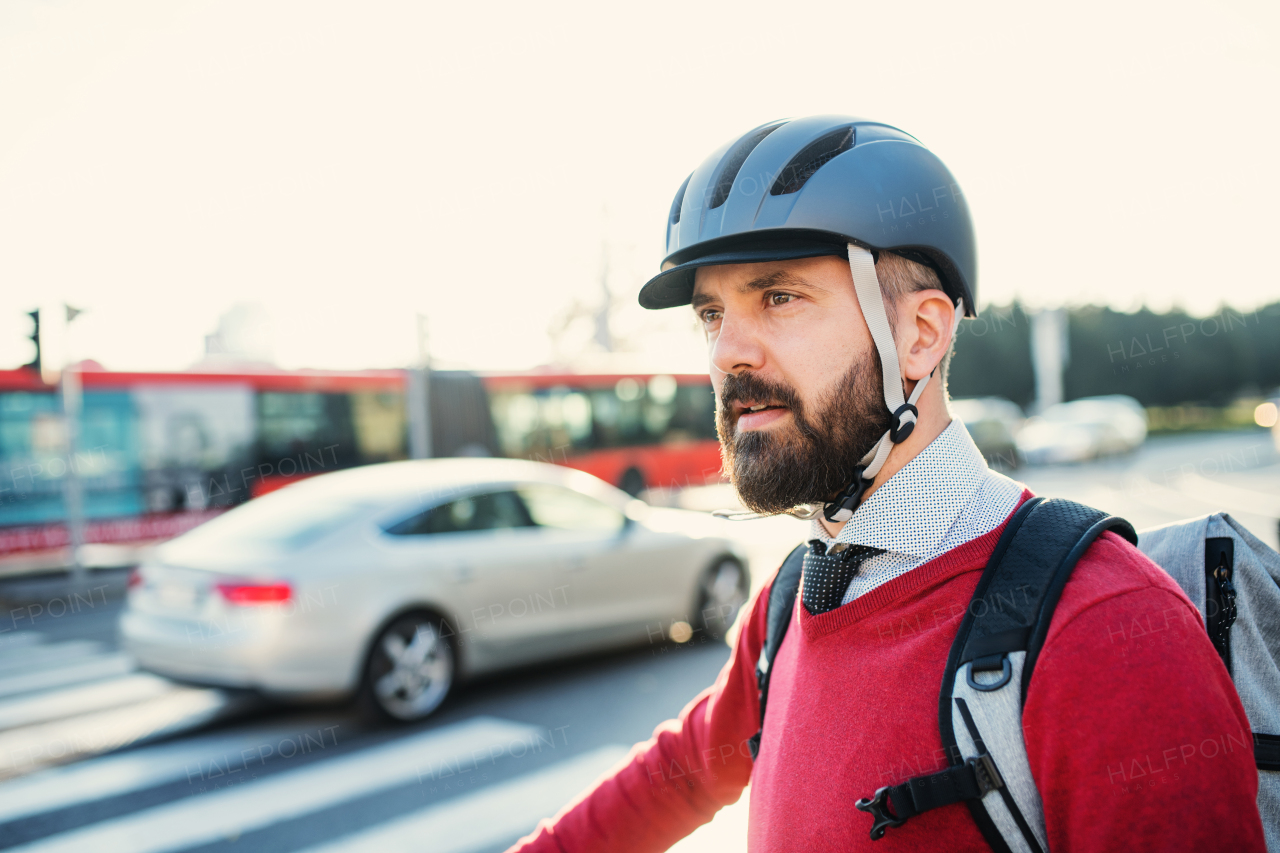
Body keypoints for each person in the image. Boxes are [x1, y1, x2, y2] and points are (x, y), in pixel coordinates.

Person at [507, 116, 1264, 851]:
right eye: (712, 312)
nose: (728, 351)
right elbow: (671, 779)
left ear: (920, 335)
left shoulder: (1103, 627)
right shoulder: (793, 598)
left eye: (779, 297)